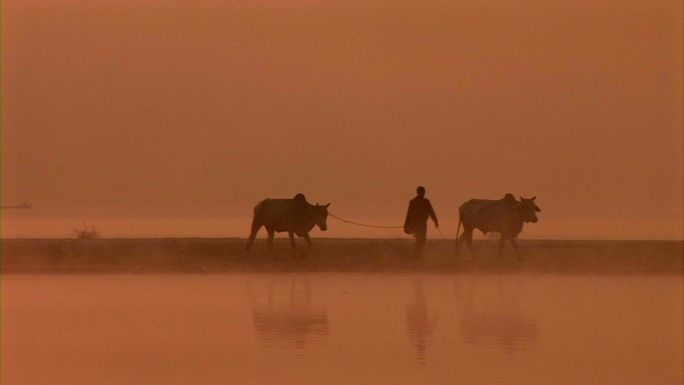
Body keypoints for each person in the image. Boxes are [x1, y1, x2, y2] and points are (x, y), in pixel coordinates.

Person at [404, 186, 439, 258]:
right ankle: (416, 254)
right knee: (421, 239)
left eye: (423, 192)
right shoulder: (424, 202)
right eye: (422, 192)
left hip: (418, 223)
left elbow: (431, 212)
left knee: (421, 239)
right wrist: (435, 221)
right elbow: (409, 214)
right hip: (420, 224)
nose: (423, 194)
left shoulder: (415, 202)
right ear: (418, 192)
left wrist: (435, 221)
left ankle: (417, 254)